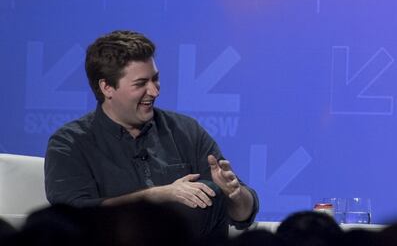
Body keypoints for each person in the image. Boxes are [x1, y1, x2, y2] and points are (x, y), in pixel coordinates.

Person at [44, 30, 259, 238]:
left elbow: (242, 215)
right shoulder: (70, 144)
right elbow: (73, 217)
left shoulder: (185, 130)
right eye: (141, 84)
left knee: (211, 192)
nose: (155, 91)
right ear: (107, 87)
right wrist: (153, 197)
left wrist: (234, 194)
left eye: (155, 79)